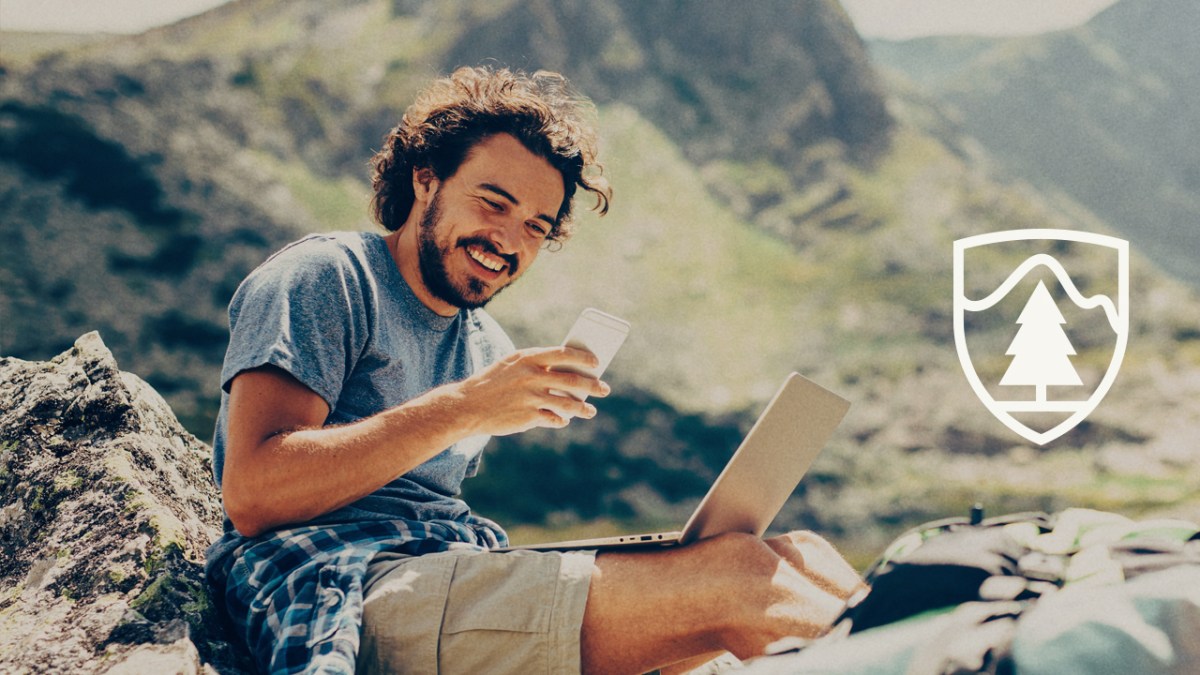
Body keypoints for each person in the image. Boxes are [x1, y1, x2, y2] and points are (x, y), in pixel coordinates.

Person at [205, 65, 865, 675]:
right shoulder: (326, 277)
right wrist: (467, 406)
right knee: (734, 582)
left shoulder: (486, 339)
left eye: (535, 226)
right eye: (493, 203)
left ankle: (947, 637)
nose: (509, 241)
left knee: (795, 552)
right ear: (425, 177)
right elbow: (255, 493)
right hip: (334, 587)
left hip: (449, 572)